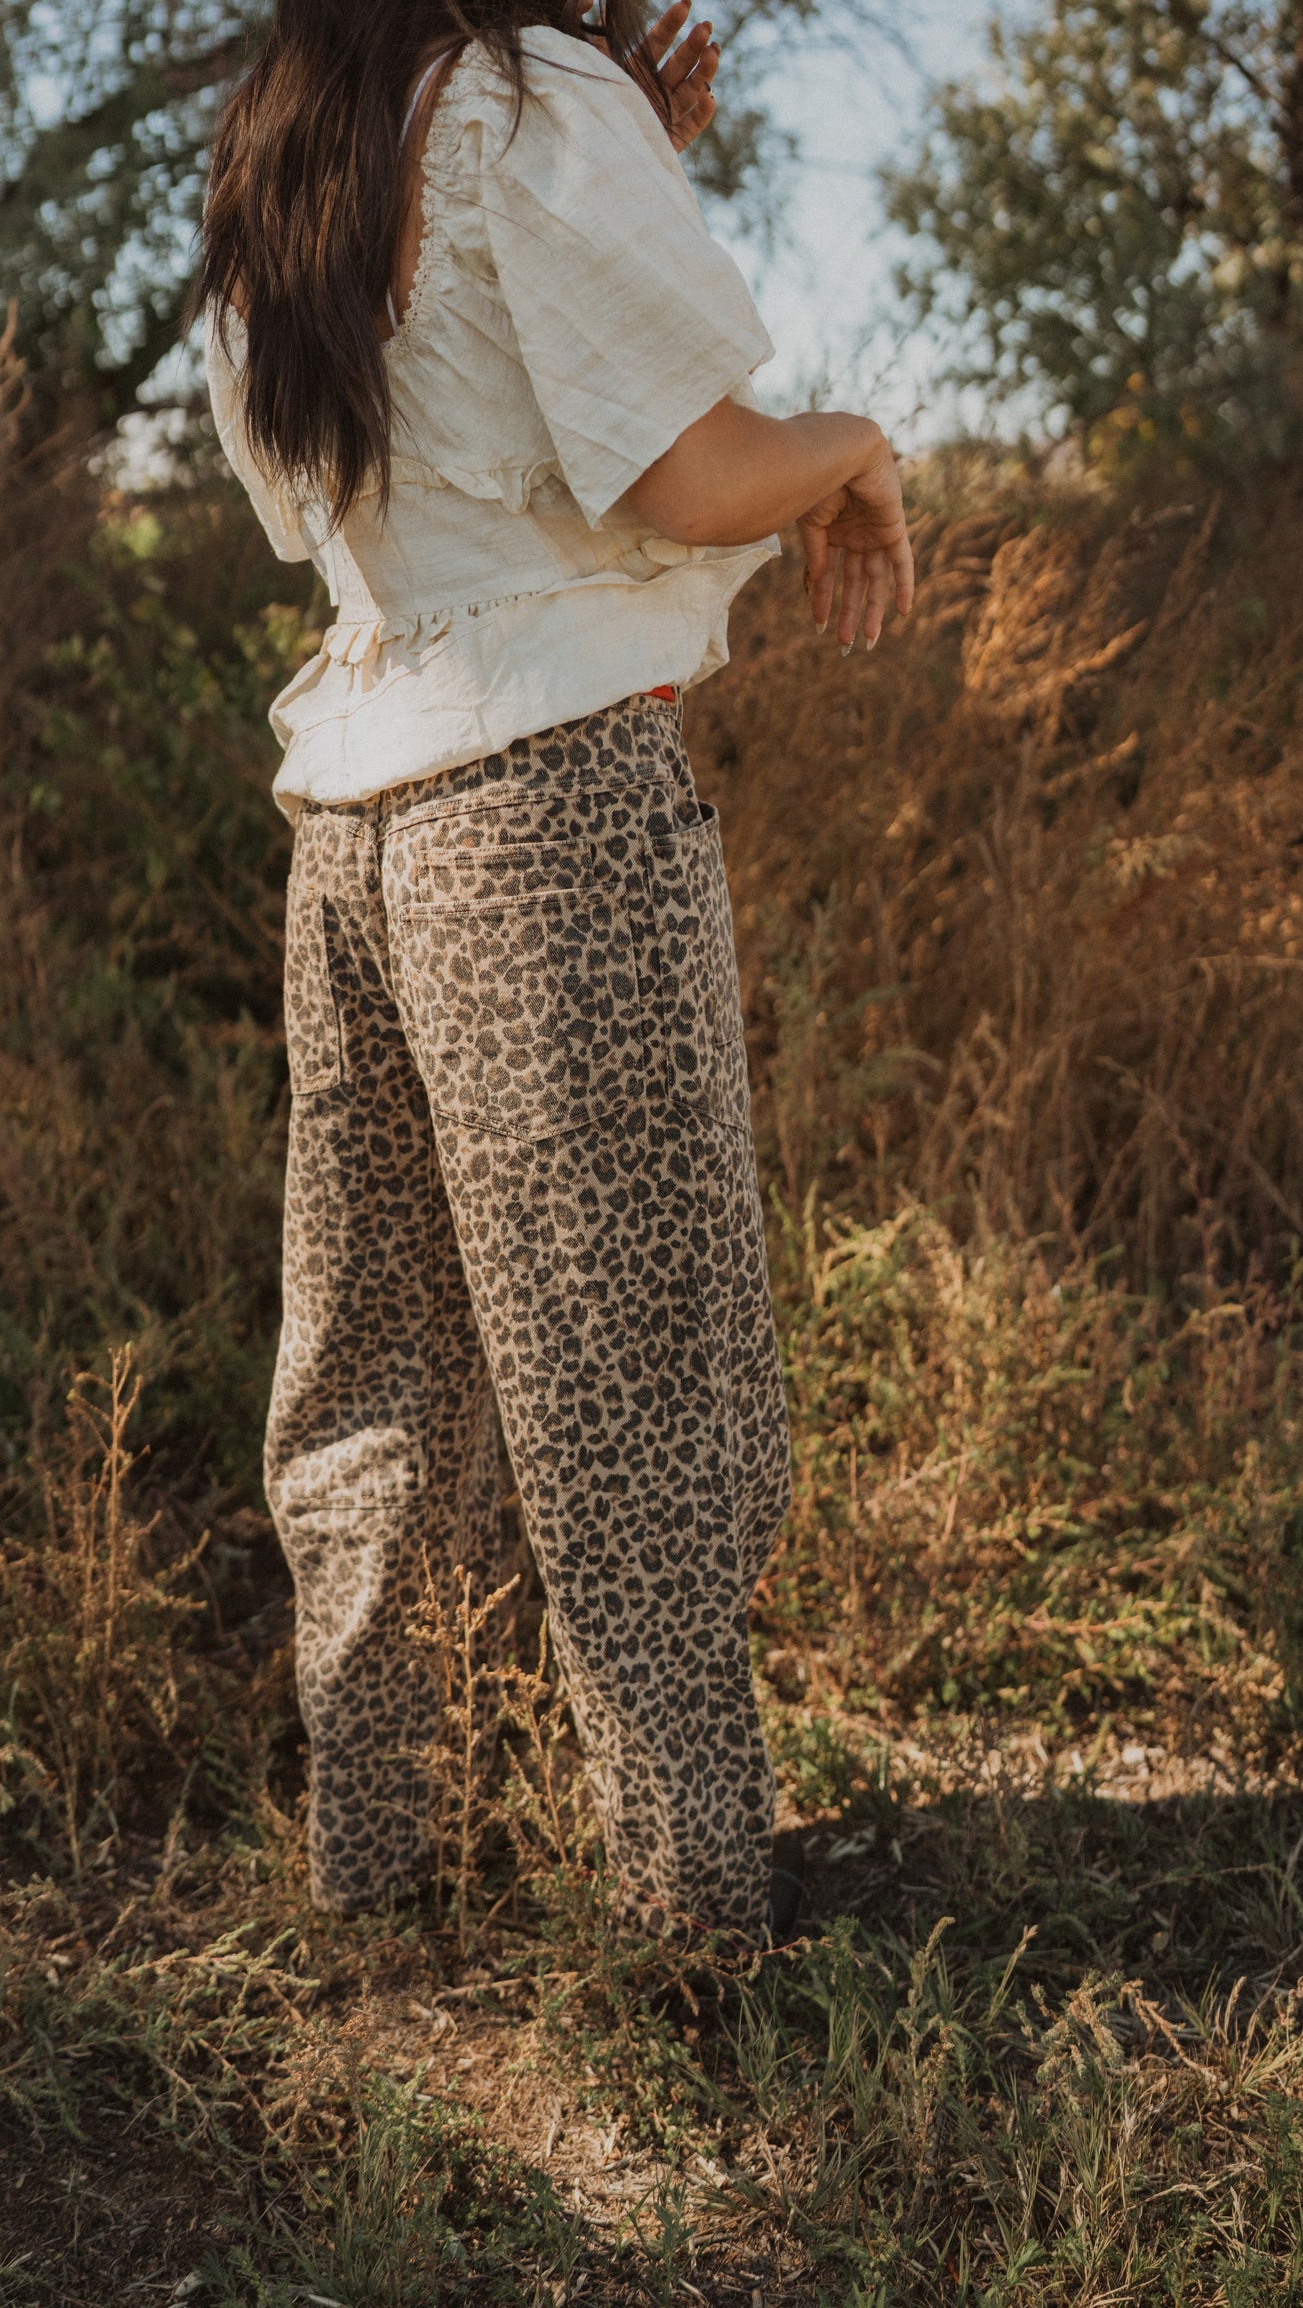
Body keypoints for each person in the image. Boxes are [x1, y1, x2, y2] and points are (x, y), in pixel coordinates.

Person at [196, 0, 913, 1945]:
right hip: (547, 809)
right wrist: (851, 446)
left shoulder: (285, 143)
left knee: (372, 1372)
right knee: (631, 1376)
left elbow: (400, 461)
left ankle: (382, 1885)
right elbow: (688, 477)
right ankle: (689, 1922)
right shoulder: (527, 99)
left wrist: (625, 153)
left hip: (355, 817)